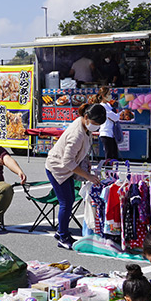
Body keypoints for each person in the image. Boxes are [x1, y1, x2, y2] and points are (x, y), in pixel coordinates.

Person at [44, 103, 106, 249]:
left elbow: (81, 152)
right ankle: (63, 236)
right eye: (95, 123)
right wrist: (87, 176)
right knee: (66, 202)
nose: (96, 127)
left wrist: (87, 166)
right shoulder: (77, 134)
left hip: (66, 168)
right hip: (57, 168)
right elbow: (67, 161)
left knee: (69, 200)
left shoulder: (84, 126)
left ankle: (61, 232)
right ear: (86, 117)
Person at [97, 87, 120, 159]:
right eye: (109, 94)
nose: (110, 96)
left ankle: (113, 170)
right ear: (103, 96)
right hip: (106, 133)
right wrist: (119, 113)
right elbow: (115, 118)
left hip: (112, 133)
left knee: (114, 155)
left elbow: (114, 116)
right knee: (109, 155)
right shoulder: (102, 106)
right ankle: (107, 169)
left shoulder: (108, 105)